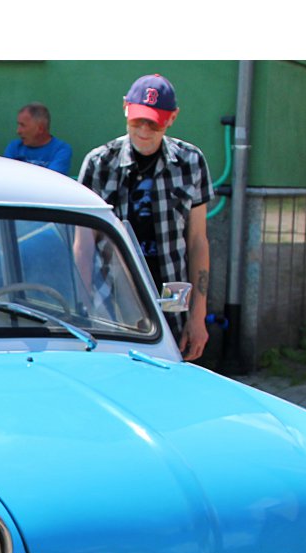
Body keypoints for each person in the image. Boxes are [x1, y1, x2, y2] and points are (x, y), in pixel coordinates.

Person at [78, 73, 212, 361]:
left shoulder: (190, 162)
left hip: (171, 299)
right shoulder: (100, 163)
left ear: (172, 118)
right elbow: (83, 244)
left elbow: (198, 240)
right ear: (125, 108)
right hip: (111, 300)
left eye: (154, 122)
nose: (144, 130)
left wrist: (198, 316)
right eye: (138, 120)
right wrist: (82, 307)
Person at [3, 103, 72, 174]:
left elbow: (51, 179)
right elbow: (7, 175)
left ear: (40, 129)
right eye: (18, 125)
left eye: (23, 125)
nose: (18, 131)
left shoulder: (60, 150)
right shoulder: (14, 147)